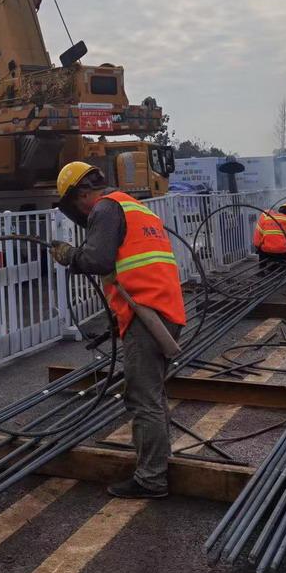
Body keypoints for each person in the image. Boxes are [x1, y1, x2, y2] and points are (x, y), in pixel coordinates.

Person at [50, 161, 186, 500]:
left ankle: (152, 479)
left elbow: (98, 260)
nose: (81, 213)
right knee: (150, 393)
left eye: (75, 205)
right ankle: (153, 467)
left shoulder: (106, 207)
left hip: (148, 315)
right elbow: (131, 265)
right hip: (160, 309)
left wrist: (70, 255)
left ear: (81, 194)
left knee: (143, 398)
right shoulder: (134, 206)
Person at [252, 202, 286, 268]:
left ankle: (262, 268)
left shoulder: (269, 218)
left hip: (266, 251)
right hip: (282, 252)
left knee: (264, 242)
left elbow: (261, 235)